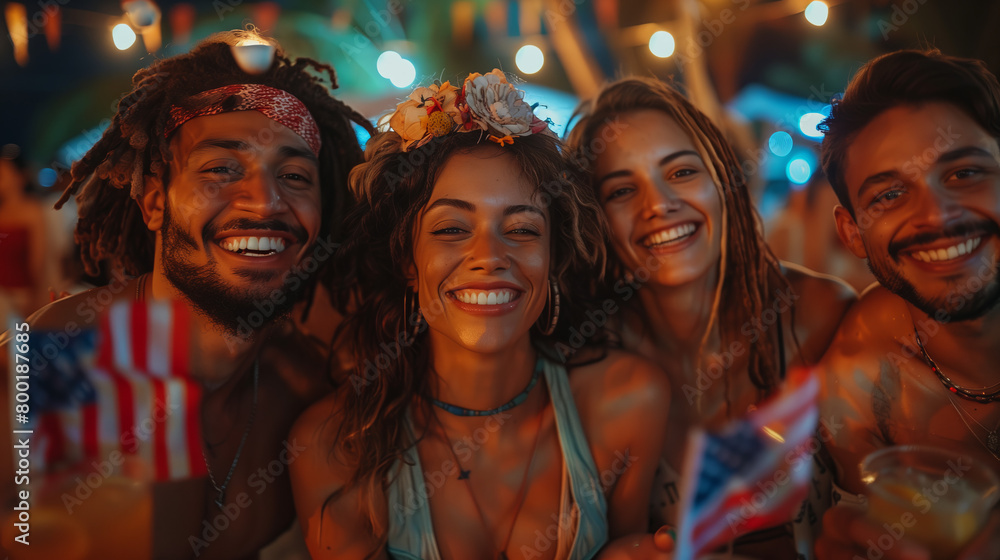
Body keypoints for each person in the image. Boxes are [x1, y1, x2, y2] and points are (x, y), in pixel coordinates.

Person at [0, 30, 370, 558]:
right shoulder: (50, 365)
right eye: (221, 168)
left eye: (293, 175)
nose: (265, 201)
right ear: (154, 203)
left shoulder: (305, 388)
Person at [289, 70, 673, 560]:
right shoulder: (332, 446)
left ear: (552, 260)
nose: (489, 256)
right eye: (451, 229)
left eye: (522, 229)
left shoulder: (627, 403)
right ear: (408, 261)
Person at [565, 77, 857, 558]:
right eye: (621, 190)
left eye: (680, 172)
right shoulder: (585, 371)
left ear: (722, 179)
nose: (658, 205)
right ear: (594, 220)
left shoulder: (822, 317)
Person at [814, 49, 1000, 559]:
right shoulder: (861, 383)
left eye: (964, 173)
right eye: (890, 195)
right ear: (852, 232)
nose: (937, 216)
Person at [0, 144, 57, 319]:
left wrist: (34, 298)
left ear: (20, 177)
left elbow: (38, 260)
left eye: (3, 173)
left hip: (22, 295)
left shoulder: (32, 210)